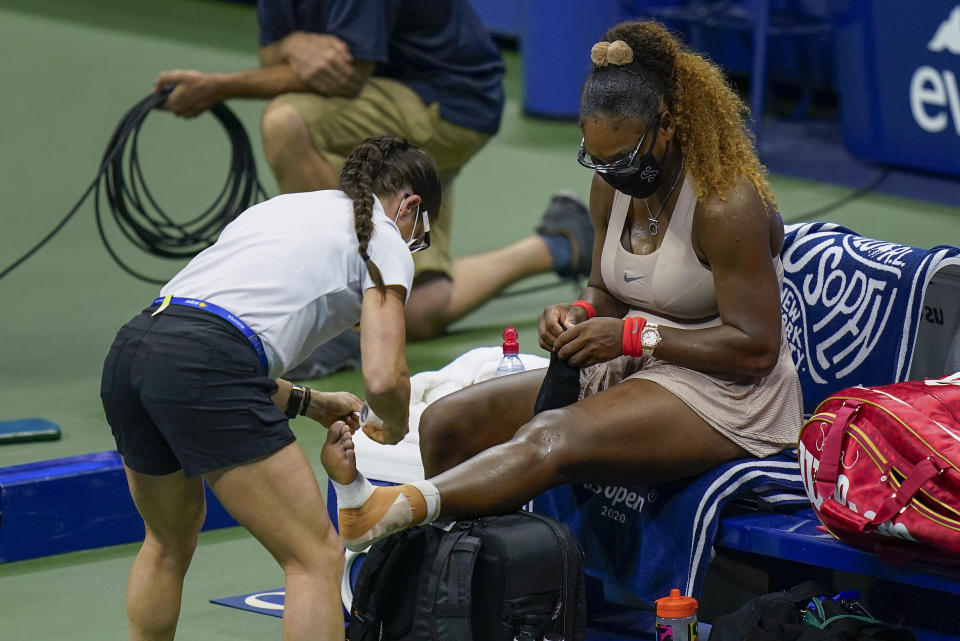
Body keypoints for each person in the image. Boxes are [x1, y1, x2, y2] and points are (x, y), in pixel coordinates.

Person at [323, 20, 804, 552]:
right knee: (445, 423)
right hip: (639, 362)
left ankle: (396, 509)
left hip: (728, 392)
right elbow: (605, 289)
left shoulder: (723, 205)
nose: (608, 172)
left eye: (622, 158)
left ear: (666, 125)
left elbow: (757, 349)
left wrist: (629, 338)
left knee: (550, 438)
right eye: (595, 157)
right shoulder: (609, 186)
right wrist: (577, 311)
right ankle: (468, 583)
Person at [99, 136, 441, 641]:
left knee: (168, 543)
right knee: (315, 557)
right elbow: (385, 377)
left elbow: (206, 335)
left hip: (134, 350)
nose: (413, 243)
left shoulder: (283, 209)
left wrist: (308, 400)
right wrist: (390, 425)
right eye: (421, 233)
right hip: (203, 364)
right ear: (410, 206)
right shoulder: (385, 238)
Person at [154, 0, 594, 375]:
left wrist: (218, 88)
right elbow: (273, 53)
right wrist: (292, 45)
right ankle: (560, 241)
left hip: (448, 104)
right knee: (416, 310)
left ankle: (344, 321)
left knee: (287, 121)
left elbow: (348, 73)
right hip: (387, 103)